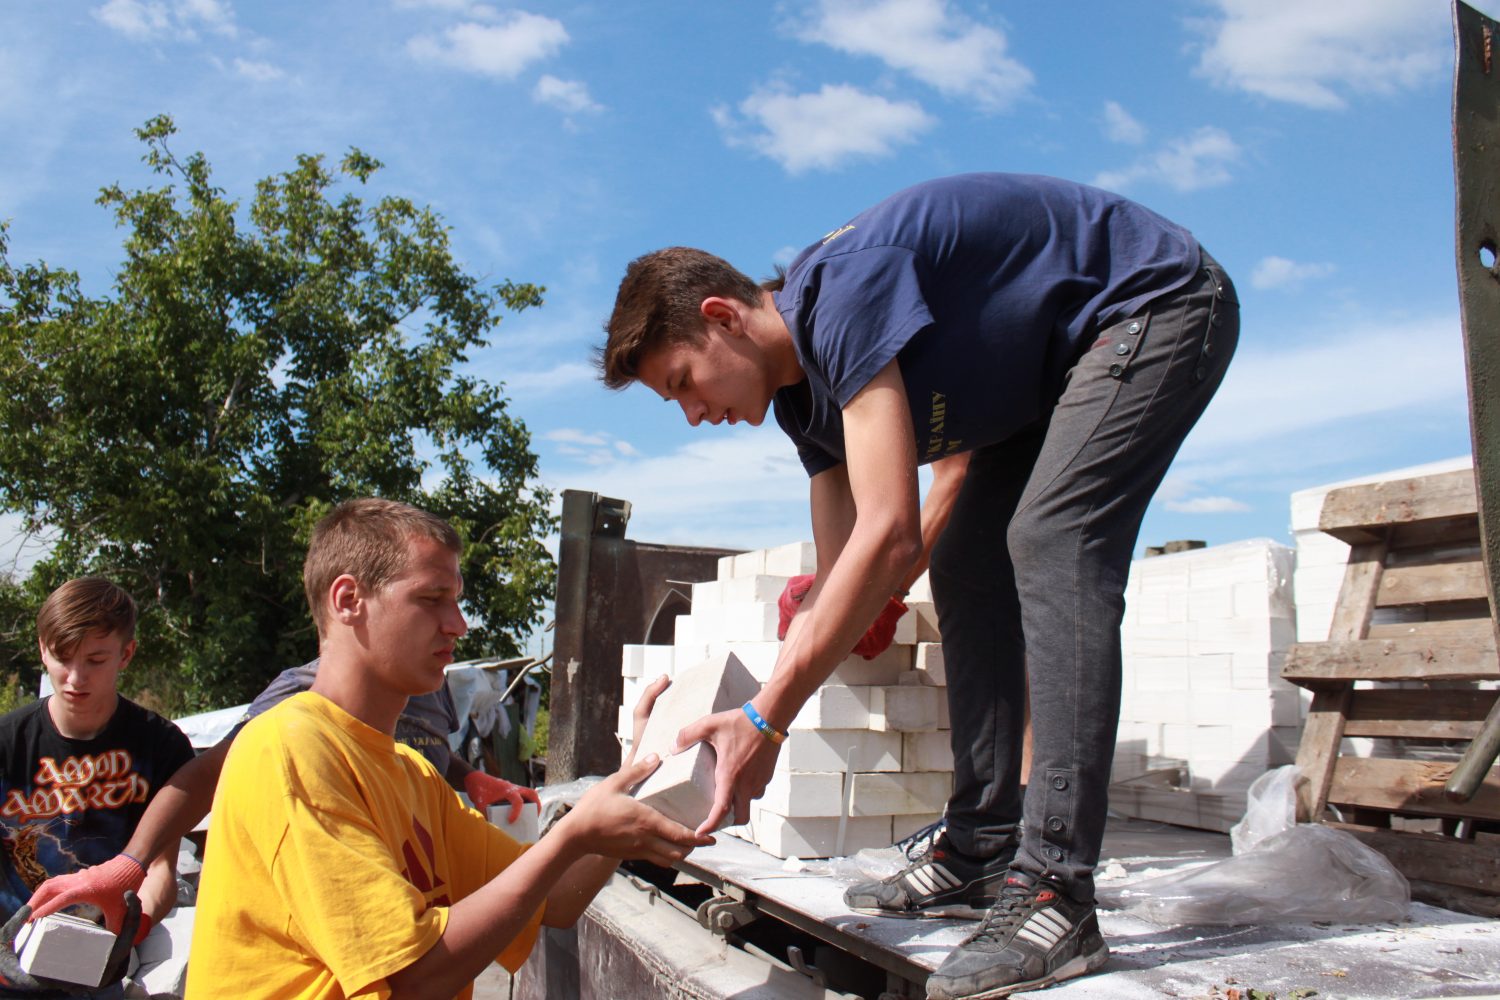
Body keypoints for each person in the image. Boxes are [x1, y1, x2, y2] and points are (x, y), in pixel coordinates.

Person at [598, 173, 1238, 998]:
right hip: (1043, 384)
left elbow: (893, 531)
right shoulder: (803, 403)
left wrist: (769, 717)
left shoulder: (842, 294)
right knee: (970, 564)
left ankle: (1055, 891)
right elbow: (850, 572)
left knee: (1052, 538)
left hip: (1155, 304)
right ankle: (980, 848)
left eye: (683, 382)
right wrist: (779, 695)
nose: (691, 414)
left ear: (722, 317)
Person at [182, 498, 707, 998]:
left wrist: (640, 775)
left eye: (456, 601)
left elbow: (551, 898)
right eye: (431, 600)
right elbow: (410, 977)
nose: (457, 625)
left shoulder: (413, 773)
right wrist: (572, 833)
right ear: (348, 601)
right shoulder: (291, 747)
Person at [26, 660, 539, 932]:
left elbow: (426, 752)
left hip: (420, 898)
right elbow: (209, 773)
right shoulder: (299, 695)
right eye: (432, 599)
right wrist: (128, 866)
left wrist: (471, 777)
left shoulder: (432, 687)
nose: (457, 624)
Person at [0, 578, 195, 998]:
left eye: (95, 660)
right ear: (41, 650)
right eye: (61, 657)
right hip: (9, 960)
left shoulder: (161, 746)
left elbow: (161, 869)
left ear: (126, 654)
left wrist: (129, 933)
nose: (74, 677)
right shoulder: (5, 742)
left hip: (102, 964)